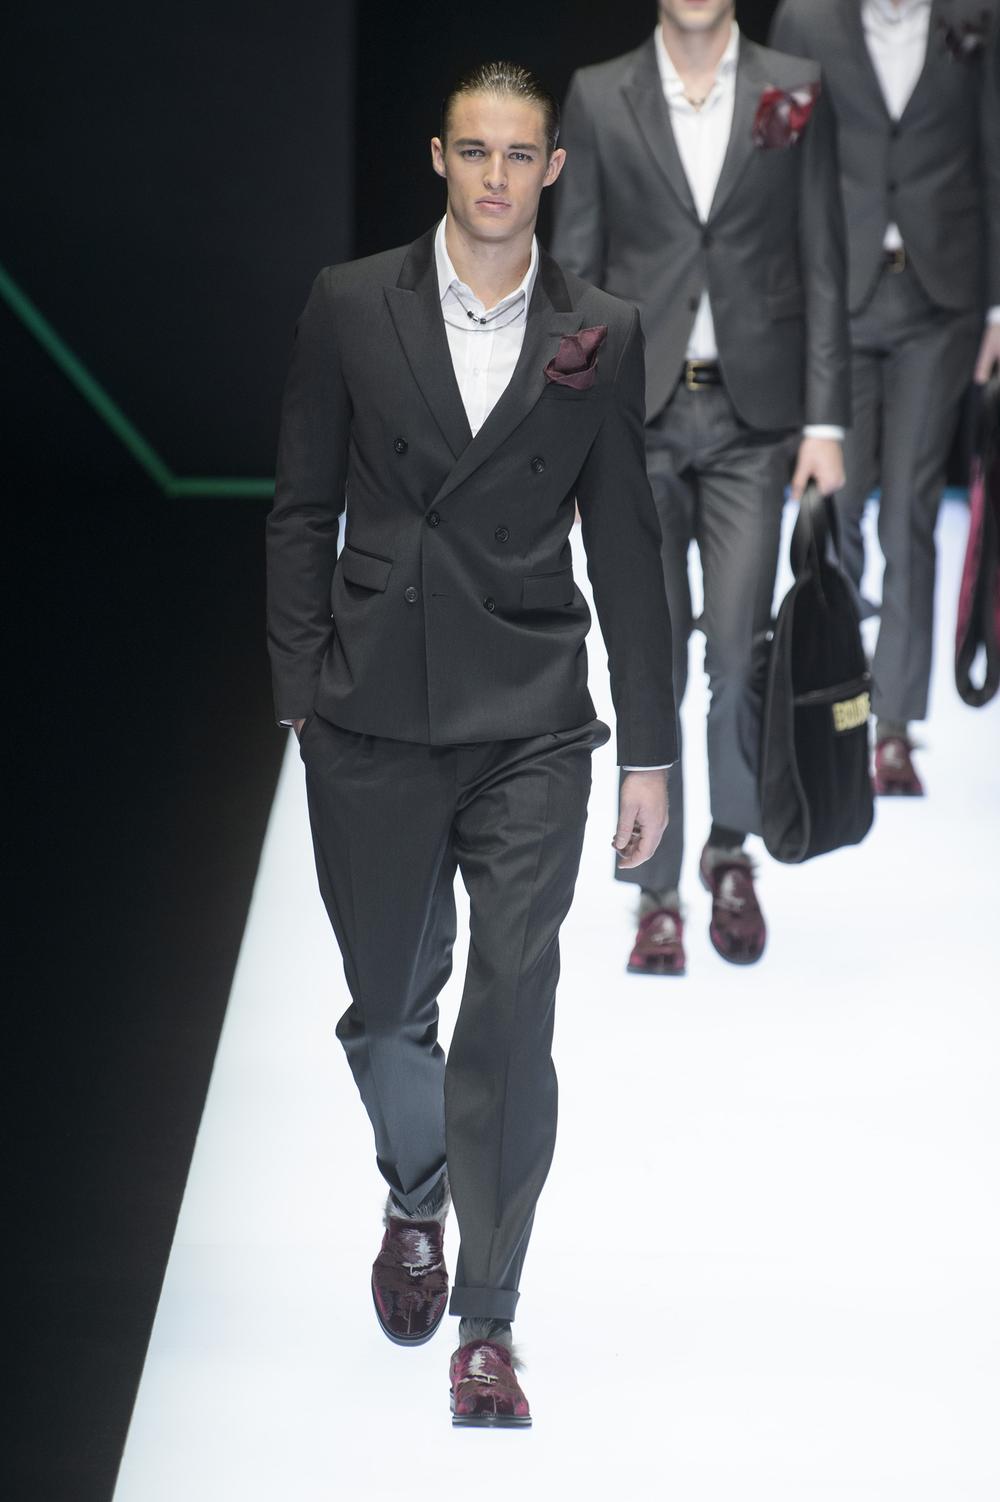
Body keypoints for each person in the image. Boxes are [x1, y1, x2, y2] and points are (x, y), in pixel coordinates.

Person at [266, 61, 678, 1427]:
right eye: (474, 151)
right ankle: (414, 1189)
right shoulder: (349, 303)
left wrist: (649, 750)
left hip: (529, 717)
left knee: (512, 1003)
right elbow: (299, 503)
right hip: (372, 710)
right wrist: (298, 688)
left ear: (553, 168)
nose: (497, 177)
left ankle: (488, 1321)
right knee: (390, 1009)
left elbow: (628, 545)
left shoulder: (601, 329)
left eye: (520, 155)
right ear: (438, 158)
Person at [551, 0, 850, 976]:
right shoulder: (600, 95)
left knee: (738, 646)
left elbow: (821, 255)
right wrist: (567, 429)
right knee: (651, 661)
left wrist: (826, 421)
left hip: (752, 424)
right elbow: (575, 268)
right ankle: (655, 889)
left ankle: (728, 851)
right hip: (634, 420)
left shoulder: (793, 87)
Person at [770, 0, 1000, 795]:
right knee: (838, 504)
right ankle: (844, 703)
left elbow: (995, 153)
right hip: (837, 296)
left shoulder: (977, 17)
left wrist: (999, 308)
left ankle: (894, 727)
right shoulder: (806, 21)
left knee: (909, 507)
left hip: (941, 302)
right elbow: (780, 160)